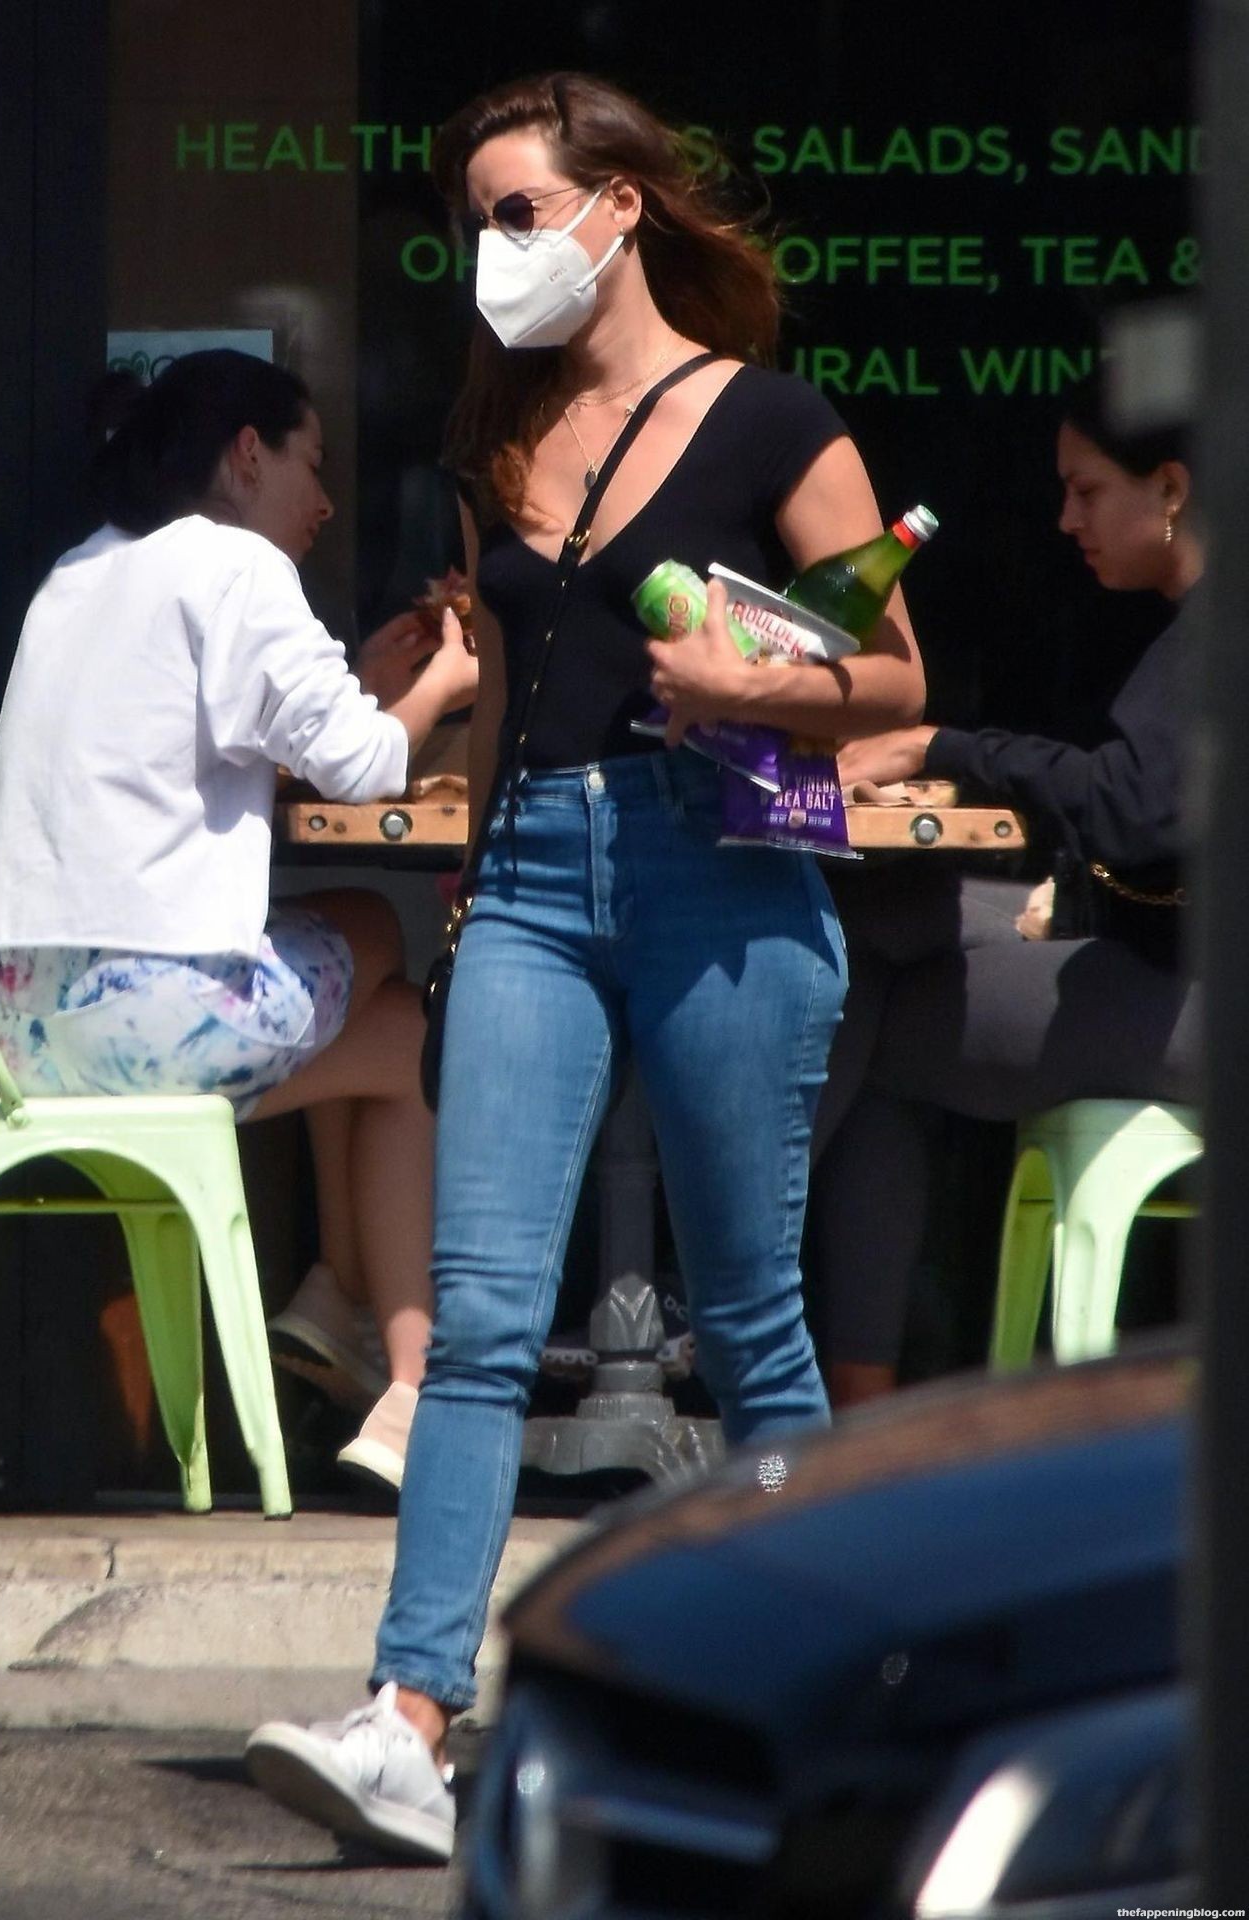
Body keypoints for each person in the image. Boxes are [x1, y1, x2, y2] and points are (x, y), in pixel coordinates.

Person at [244, 69, 924, 1862]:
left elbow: (894, 676)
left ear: (618, 211)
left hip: (720, 872)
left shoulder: (774, 423)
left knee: (749, 1318)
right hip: (536, 877)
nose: (492, 248)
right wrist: (471, 889)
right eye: (475, 220)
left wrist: (749, 685)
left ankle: (835, 1713)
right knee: (477, 1321)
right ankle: (408, 1718)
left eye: (518, 212)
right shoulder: (498, 431)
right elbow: (499, 705)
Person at [0, 348, 477, 1486]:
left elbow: (216, 731)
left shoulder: (80, 572)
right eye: (312, 463)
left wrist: (361, 679)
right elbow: (362, 765)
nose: (325, 500)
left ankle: (346, 1307)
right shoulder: (236, 565)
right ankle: (401, 1378)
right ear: (248, 456)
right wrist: (446, 683)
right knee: (386, 965)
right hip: (148, 1023)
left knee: (385, 1003)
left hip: (20, 1031)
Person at [805, 375, 1202, 1405]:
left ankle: (795, 1339)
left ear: (1169, 488)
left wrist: (941, 746)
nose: (1064, 518)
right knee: (881, 918)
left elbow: (1131, 810)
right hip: (1160, 962)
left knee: (865, 1016)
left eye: (1085, 490)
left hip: (1196, 1011)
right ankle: (842, 1375)